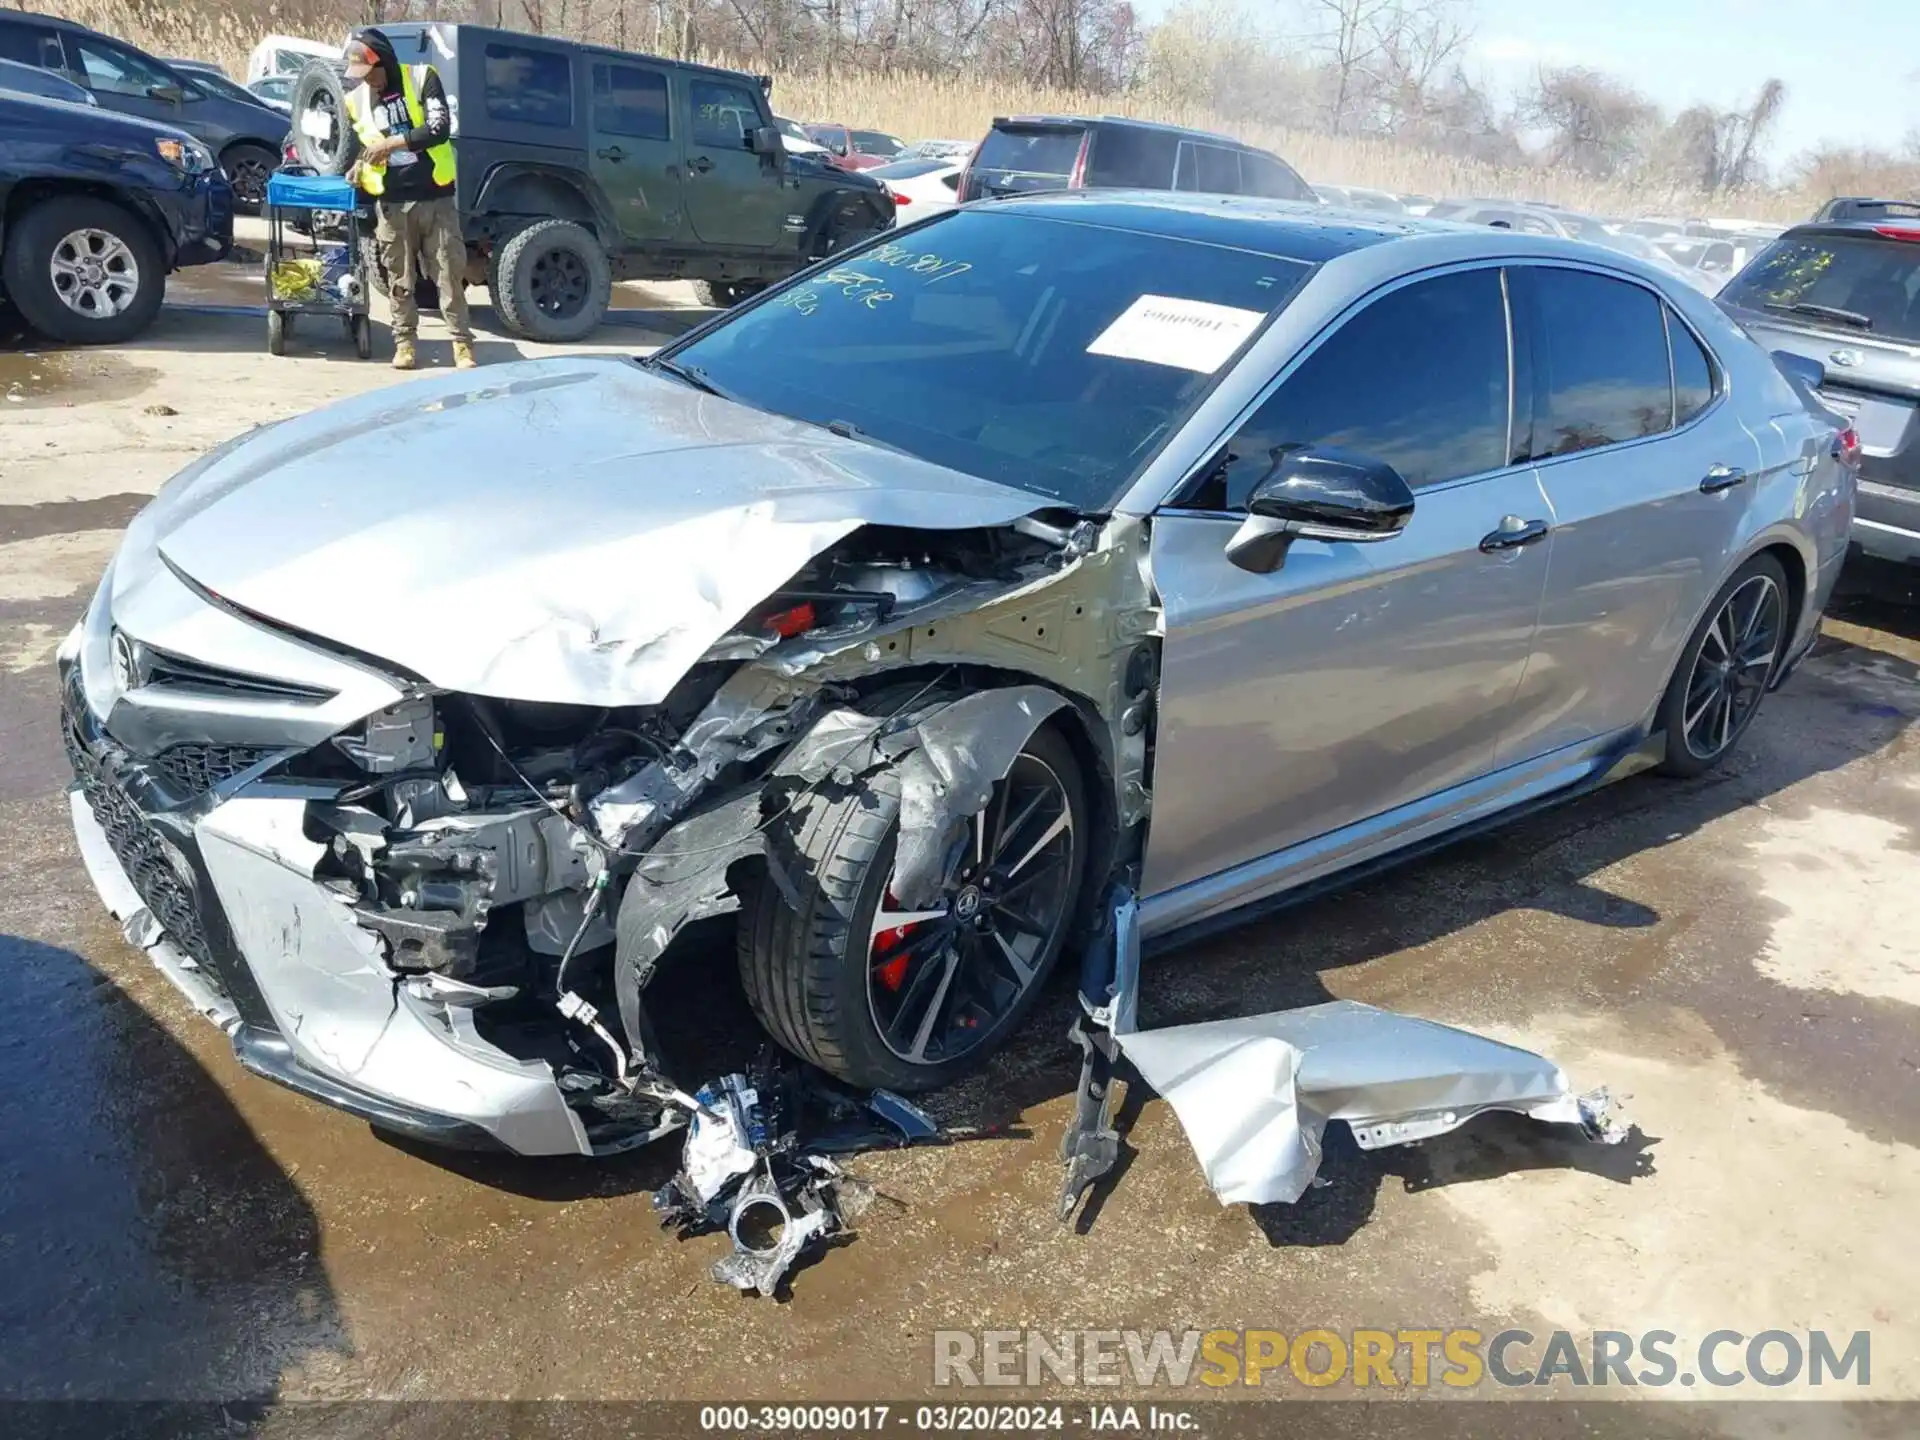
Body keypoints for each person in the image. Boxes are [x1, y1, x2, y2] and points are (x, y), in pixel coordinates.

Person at [341, 28, 476, 370]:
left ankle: (461, 345)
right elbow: (364, 141)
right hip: (391, 202)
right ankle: (405, 344)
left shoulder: (420, 78)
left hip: (435, 197)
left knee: (449, 273)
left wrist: (390, 144)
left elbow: (438, 128)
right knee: (398, 278)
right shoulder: (355, 100)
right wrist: (359, 164)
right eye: (360, 75)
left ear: (384, 62)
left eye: (370, 72)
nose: (366, 80)